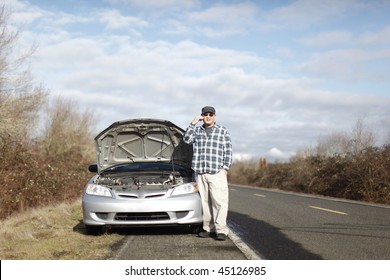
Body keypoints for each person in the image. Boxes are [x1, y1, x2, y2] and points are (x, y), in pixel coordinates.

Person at [183, 106, 233, 241]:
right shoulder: (197, 131)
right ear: (202, 116)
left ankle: (221, 230)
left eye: (211, 114)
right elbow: (186, 140)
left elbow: (228, 151)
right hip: (200, 171)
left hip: (217, 171)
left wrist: (225, 168)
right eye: (205, 114)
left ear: (214, 116)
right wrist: (193, 122)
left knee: (219, 202)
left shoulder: (222, 131)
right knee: (205, 202)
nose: (208, 116)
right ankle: (207, 228)